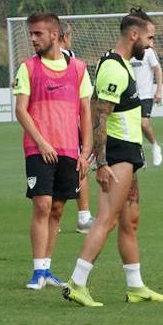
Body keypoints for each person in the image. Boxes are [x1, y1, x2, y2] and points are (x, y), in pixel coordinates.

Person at [63, 8, 163, 307]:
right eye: (149, 38)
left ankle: (135, 287)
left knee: (129, 221)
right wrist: (101, 163)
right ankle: (77, 283)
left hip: (129, 153)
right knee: (106, 220)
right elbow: (99, 116)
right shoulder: (113, 68)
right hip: (117, 154)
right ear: (133, 35)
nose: (150, 45)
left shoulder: (123, 64)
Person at [13, 13, 92, 290]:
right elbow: (20, 110)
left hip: (69, 149)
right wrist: (42, 142)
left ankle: (47, 269)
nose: (32, 39)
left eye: (38, 34)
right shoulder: (28, 68)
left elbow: (85, 112)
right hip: (38, 149)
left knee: (58, 209)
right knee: (42, 205)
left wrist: (86, 151)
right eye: (31, 34)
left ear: (55, 35)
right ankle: (36, 271)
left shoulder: (79, 69)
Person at [60, 23, 95, 233]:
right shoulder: (73, 62)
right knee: (80, 167)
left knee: (52, 166)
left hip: (47, 127)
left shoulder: (35, 62)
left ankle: (50, 220)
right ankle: (83, 218)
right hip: (71, 125)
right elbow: (86, 100)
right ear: (65, 37)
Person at [130, 42, 163, 167]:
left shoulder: (148, 52)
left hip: (145, 95)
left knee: (143, 123)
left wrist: (159, 90)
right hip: (131, 95)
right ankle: (139, 154)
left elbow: (157, 69)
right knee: (133, 126)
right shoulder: (128, 52)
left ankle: (155, 146)